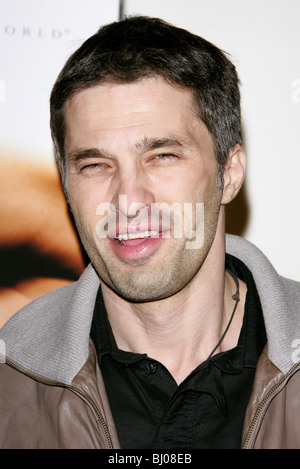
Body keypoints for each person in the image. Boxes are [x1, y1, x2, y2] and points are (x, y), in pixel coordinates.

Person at [0, 15, 299, 450]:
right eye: (95, 165)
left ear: (229, 173)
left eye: (162, 155)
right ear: (66, 185)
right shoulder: (12, 377)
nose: (128, 200)